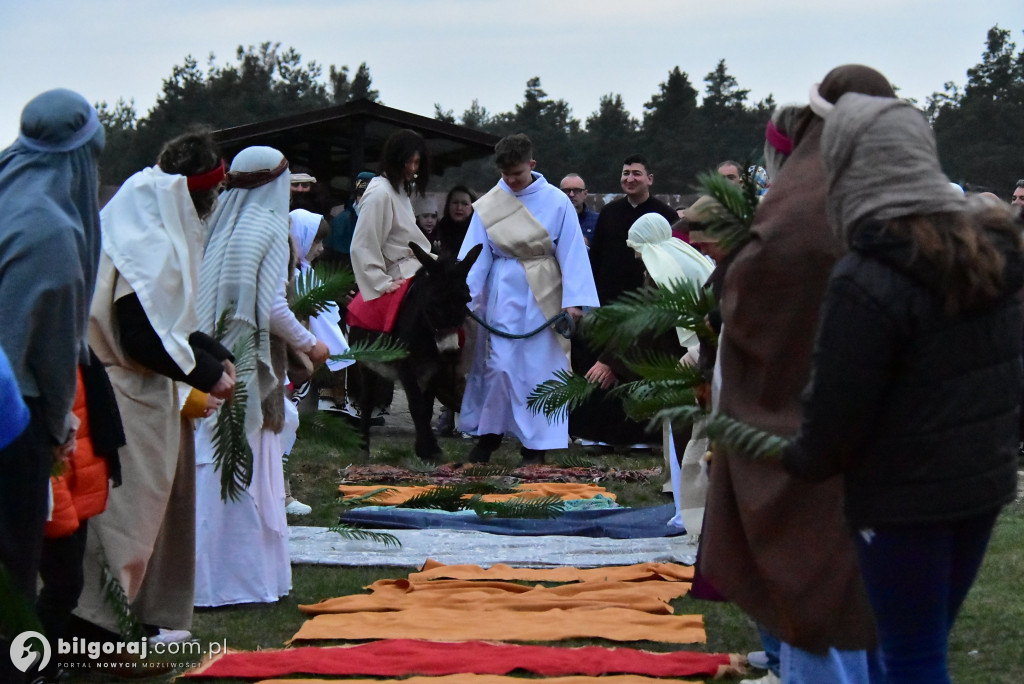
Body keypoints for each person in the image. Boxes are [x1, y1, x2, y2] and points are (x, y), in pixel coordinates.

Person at [781, 93, 1023, 684]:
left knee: (908, 655)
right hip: (980, 483)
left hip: (903, 496)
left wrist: (798, 461)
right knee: (925, 643)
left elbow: (839, 404)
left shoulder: (869, 274)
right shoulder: (996, 250)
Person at [703, 65, 899, 684]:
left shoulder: (804, 213)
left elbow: (753, 303)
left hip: (809, 425)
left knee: (815, 596)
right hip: (875, 430)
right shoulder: (885, 195)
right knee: (864, 606)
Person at [74, 128, 237, 651]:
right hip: (124, 394)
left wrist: (215, 353)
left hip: (136, 394)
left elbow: (171, 321)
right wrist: (207, 374)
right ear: (202, 194)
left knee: (144, 521)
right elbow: (142, 334)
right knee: (120, 522)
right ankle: (95, 628)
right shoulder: (151, 236)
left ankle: (133, 617)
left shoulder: (139, 209)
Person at [193, 146, 328, 607]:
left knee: (211, 473)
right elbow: (272, 307)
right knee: (246, 470)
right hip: (248, 367)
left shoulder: (218, 226)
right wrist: (311, 345)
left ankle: (204, 580)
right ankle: (244, 580)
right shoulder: (271, 227)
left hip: (209, 362)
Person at [0, 88, 104, 684]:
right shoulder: (54, 233)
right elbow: (55, 348)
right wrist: (63, 422)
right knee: (16, 555)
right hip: (14, 413)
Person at [458, 133, 598, 463]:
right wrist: (465, 295)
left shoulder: (557, 201)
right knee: (500, 366)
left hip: (545, 290)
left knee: (540, 368)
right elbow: (476, 253)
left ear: (532, 165)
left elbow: (573, 251)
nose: (511, 181)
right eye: (506, 175)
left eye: (517, 174)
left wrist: (574, 302)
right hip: (503, 289)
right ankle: (488, 435)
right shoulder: (491, 203)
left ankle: (536, 446)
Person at [573, 154, 678, 450]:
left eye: (636, 173)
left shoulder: (664, 214)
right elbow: (596, 260)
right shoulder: (609, 212)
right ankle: (600, 433)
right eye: (625, 173)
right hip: (610, 305)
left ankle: (640, 437)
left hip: (650, 309)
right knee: (601, 369)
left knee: (636, 369)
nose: (630, 178)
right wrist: (581, 300)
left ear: (649, 179)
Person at [346, 130, 431, 424]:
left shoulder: (399, 190)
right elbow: (364, 243)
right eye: (409, 162)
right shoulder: (379, 192)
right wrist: (381, 282)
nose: (414, 169)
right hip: (397, 272)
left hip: (416, 266)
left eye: (418, 163)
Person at [559, 173, 599, 246]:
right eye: (566, 190)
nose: (571, 194)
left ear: (585, 194)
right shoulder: (552, 220)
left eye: (576, 190)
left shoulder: (598, 221)